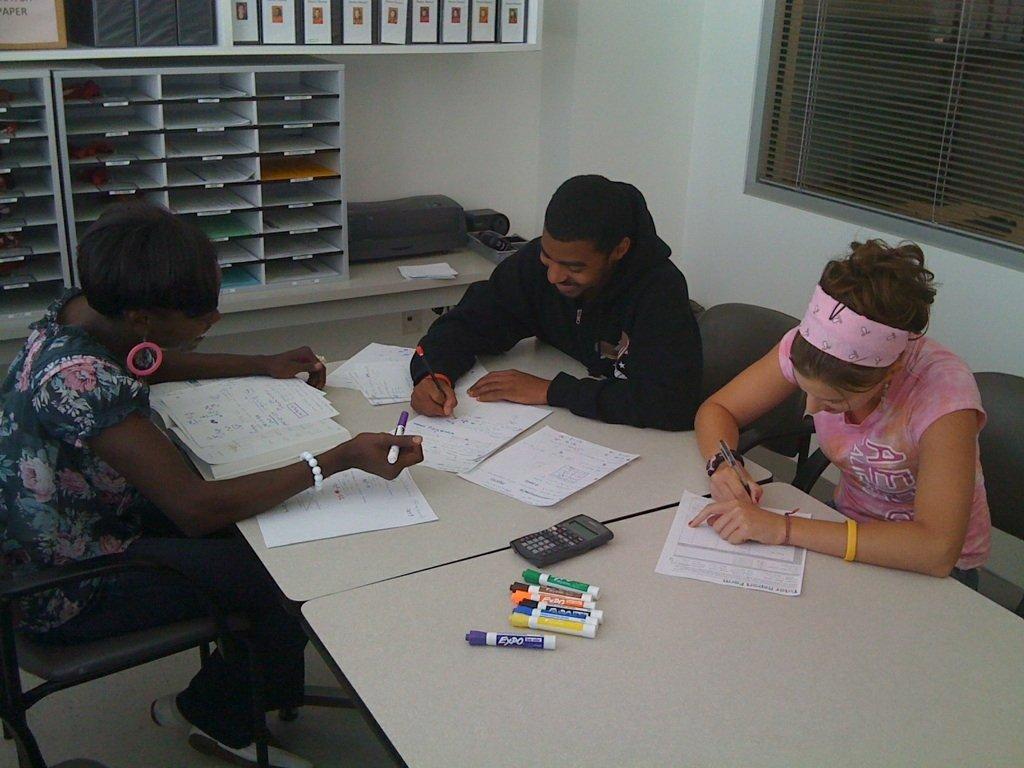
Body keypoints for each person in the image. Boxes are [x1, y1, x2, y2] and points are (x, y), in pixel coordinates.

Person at [0, 203, 423, 768]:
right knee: (280, 578)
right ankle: (216, 716)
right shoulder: (79, 379)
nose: (213, 320)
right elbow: (194, 509)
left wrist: (262, 363)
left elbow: (142, 360)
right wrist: (337, 458)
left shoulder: (85, 312)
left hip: (84, 516)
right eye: (201, 314)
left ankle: (251, 681)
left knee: (268, 530)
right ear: (143, 315)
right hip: (61, 585)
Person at [692, 240, 989, 585]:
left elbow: (936, 550)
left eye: (834, 403)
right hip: (844, 525)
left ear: (888, 374)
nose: (811, 410)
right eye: (806, 391)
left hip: (932, 566)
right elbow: (718, 409)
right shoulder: (812, 346)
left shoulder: (943, 396)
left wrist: (782, 528)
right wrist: (723, 463)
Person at [409, 175, 703, 430]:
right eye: (547, 258)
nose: (554, 276)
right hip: (568, 421)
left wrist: (552, 391)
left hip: (631, 445)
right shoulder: (538, 266)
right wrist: (434, 374)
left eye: (574, 268)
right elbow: (469, 321)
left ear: (618, 250)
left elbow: (673, 404)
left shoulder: (658, 289)